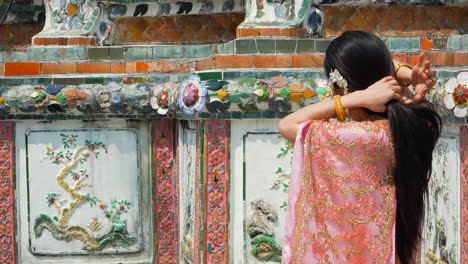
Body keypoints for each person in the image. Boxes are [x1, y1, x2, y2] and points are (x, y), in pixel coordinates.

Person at [278, 31, 442, 264]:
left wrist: (352, 99)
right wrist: (406, 78)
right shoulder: (415, 125)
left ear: (339, 84)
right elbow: (384, 68)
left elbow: (287, 125)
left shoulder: (356, 137)